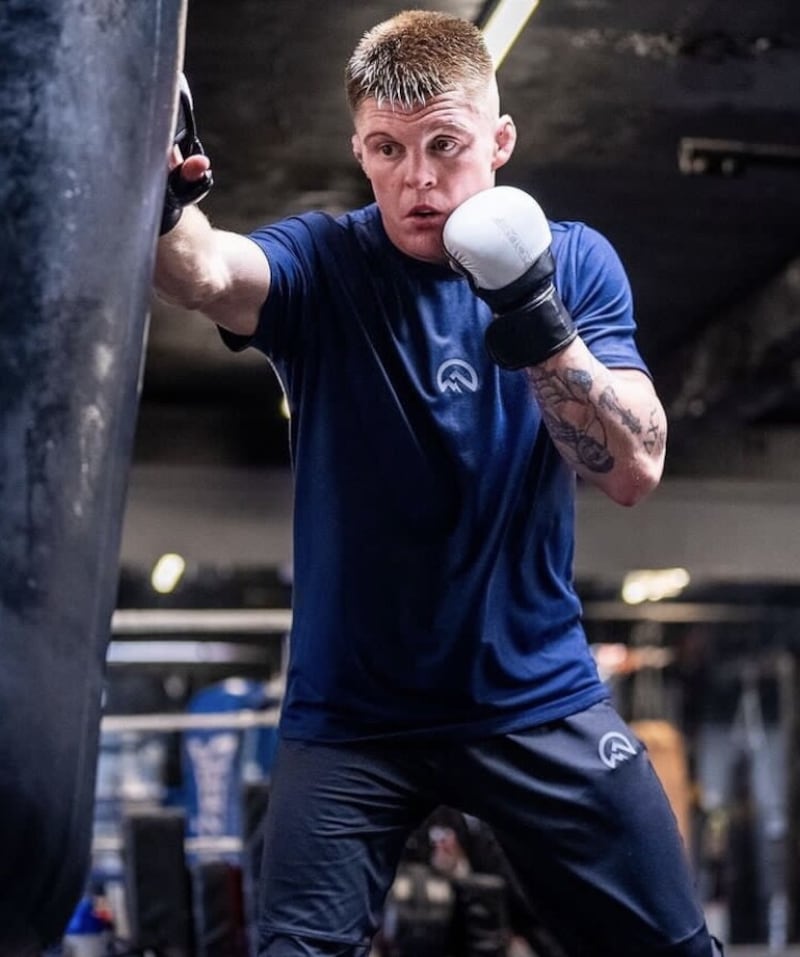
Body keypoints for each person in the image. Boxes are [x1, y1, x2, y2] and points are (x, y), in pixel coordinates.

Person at [154, 10, 723, 956]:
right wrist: (166, 201)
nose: (417, 178)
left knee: (672, 946)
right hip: (351, 715)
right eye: (387, 149)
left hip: (535, 695)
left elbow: (635, 467)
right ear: (359, 150)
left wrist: (535, 315)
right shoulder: (326, 264)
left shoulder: (575, 262)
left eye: (443, 145)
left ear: (499, 142)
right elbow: (209, 273)